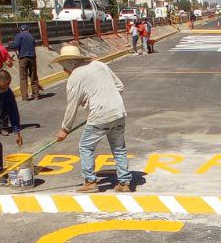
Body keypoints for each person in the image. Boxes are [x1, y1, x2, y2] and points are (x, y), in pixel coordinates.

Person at [52, 44, 132, 193]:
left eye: (63, 66)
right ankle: (124, 182)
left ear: (68, 63)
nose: (64, 70)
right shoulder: (100, 65)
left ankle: (90, 181)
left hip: (99, 116)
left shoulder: (75, 76)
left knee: (85, 147)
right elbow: (120, 86)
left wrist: (65, 128)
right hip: (118, 112)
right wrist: (108, 102)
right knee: (119, 148)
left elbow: (72, 106)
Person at [9, 23, 43, 100]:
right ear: (28, 30)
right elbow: (34, 45)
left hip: (23, 58)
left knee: (23, 78)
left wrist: (10, 43)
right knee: (33, 76)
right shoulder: (31, 36)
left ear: (21, 30)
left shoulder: (19, 36)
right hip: (32, 58)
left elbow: (14, 46)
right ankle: (36, 95)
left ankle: (25, 96)